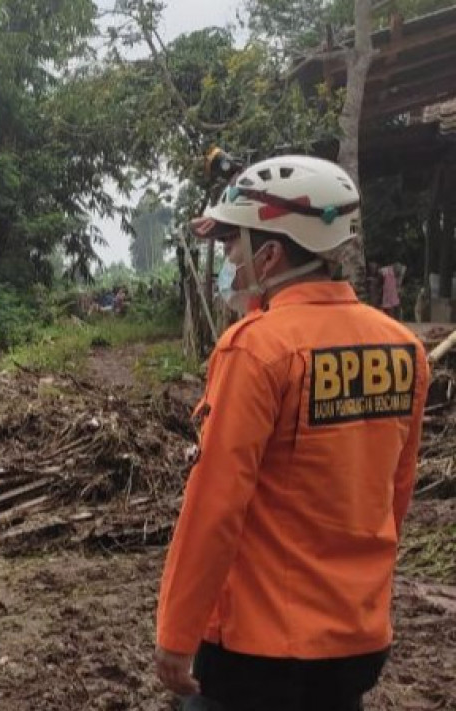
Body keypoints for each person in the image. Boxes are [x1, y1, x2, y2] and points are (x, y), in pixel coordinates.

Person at [158, 155, 429, 711]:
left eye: (235, 246)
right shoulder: (403, 349)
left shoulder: (257, 350)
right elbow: (393, 498)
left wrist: (176, 634)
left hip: (260, 649)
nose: (230, 260)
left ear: (271, 254)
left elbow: (214, 506)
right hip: (356, 641)